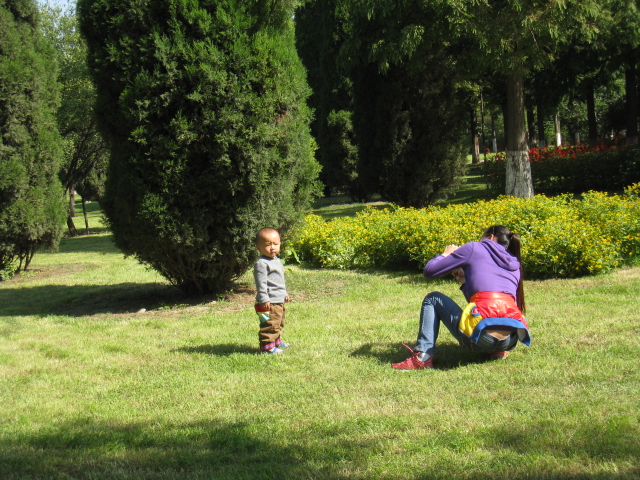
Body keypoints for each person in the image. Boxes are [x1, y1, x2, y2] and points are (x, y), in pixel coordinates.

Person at [392, 225, 530, 370]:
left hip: (481, 340)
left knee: (432, 299)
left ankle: (422, 358)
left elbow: (429, 271)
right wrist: (465, 281)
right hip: (509, 341)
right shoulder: (514, 263)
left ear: (490, 237)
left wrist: (446, 254)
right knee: (498, 307)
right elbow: (486, 302)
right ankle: (498, 351)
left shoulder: (474, 248)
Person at [254, 227, 291, 354]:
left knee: (279, 322)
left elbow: (278, 281)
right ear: (258, 247)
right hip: (269, 301)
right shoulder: (262, 263)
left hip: (278, 299)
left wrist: (284, 294)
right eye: (267, 245)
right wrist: (264, 299)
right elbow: (261, 283)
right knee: (270, 324)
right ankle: (267, 347)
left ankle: (276, 341)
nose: (272, 247)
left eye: (275, 244)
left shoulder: (276, 261)